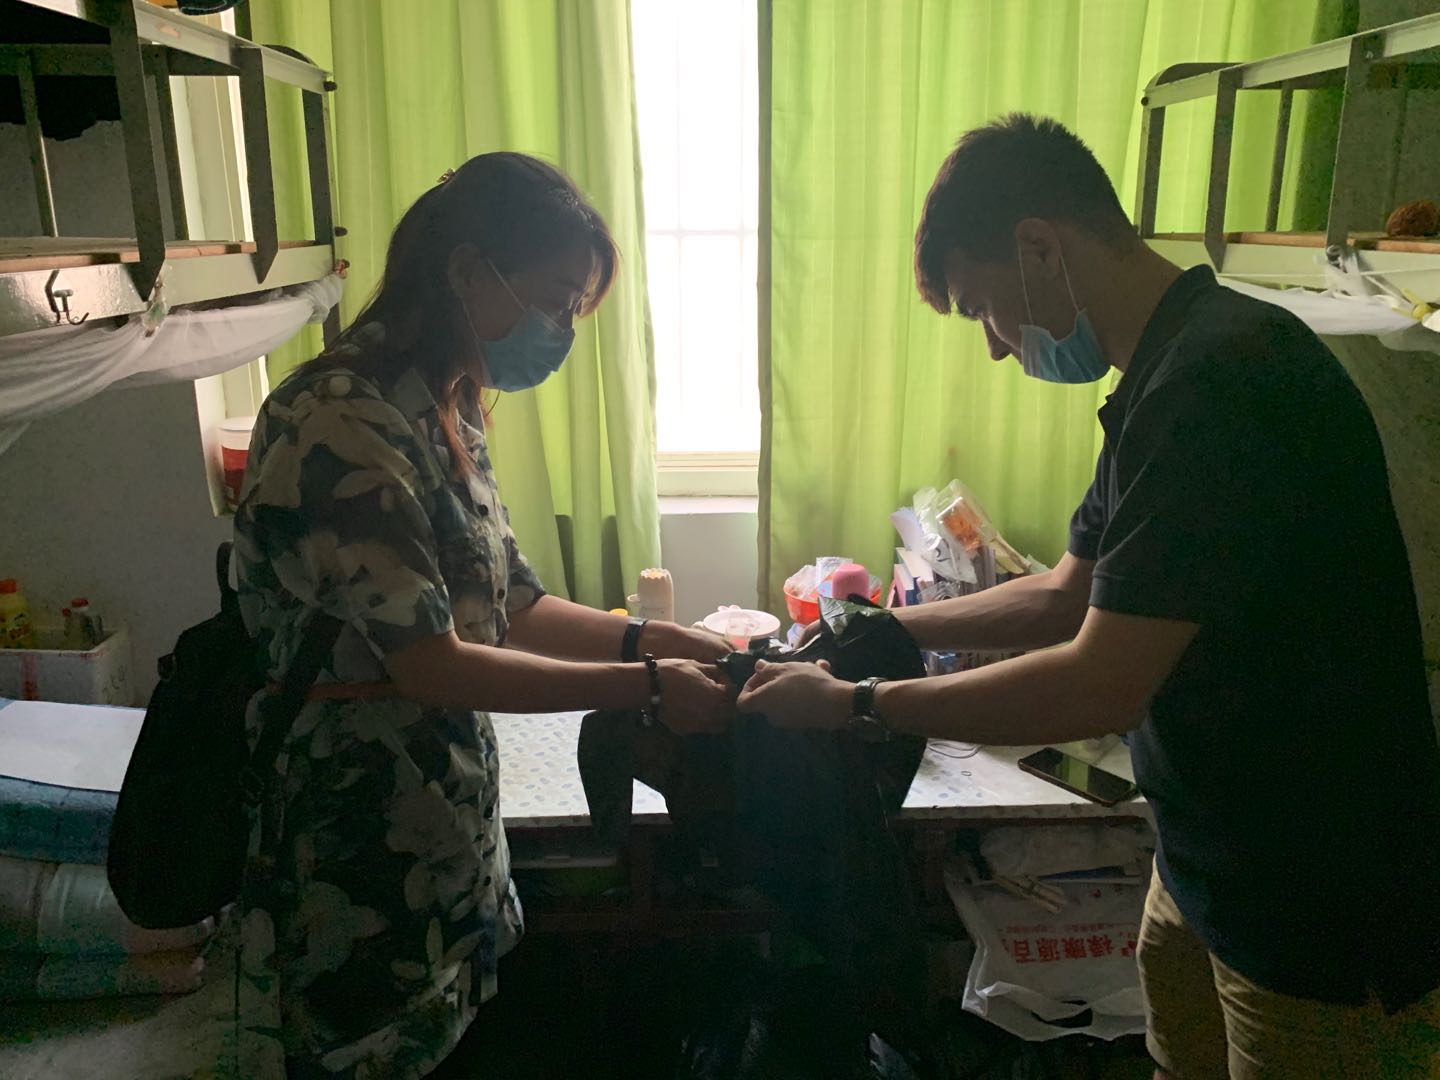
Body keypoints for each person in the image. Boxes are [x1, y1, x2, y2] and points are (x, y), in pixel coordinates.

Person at [738, 114, 1440, 1078]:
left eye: (982, 309)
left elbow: (1097, 682)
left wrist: (859, 703)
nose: (994, 346)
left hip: (1316, 890)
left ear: (1040, 248)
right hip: (1203, 858)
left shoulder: (1222, 382)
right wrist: (876, 624)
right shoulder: (1164, 371)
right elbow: (1068, 594)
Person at [232, 152, 731, 1078]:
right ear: (468, 271)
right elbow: (433, 662)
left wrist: (654, 637)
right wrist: (650, 685)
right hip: (358, 839)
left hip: (446, 822)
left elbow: (515, 605)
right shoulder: (338, 421)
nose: (559, 332)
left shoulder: (444, 408)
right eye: (554, 302)